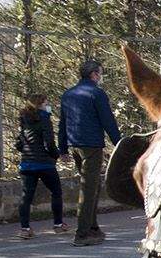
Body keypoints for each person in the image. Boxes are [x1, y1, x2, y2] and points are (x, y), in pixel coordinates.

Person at [58, 59, 121, 246]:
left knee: (93, 187)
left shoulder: (68, 94)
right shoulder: (97, 94)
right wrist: (119, 143)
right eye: (99, 73)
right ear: (94, 74)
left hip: (74, 144)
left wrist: (62, 148)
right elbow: (107, 120)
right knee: (88, 188)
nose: (100, 77)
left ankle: (93, 227)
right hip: (91, 145)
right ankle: (82, 232)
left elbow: (62, 123)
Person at [15, 93, 66, 240]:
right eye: (46, 103)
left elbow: (20, 142)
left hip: (27, 163)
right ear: (40, 104)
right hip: (44, 163)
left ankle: (25, 228)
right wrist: (56, 155)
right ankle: (58, 224)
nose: (47, 106)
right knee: (56, 191)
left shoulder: (24, 119)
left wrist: (26, 152)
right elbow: (49, 142)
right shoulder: (44, 118)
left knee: (26, 196)